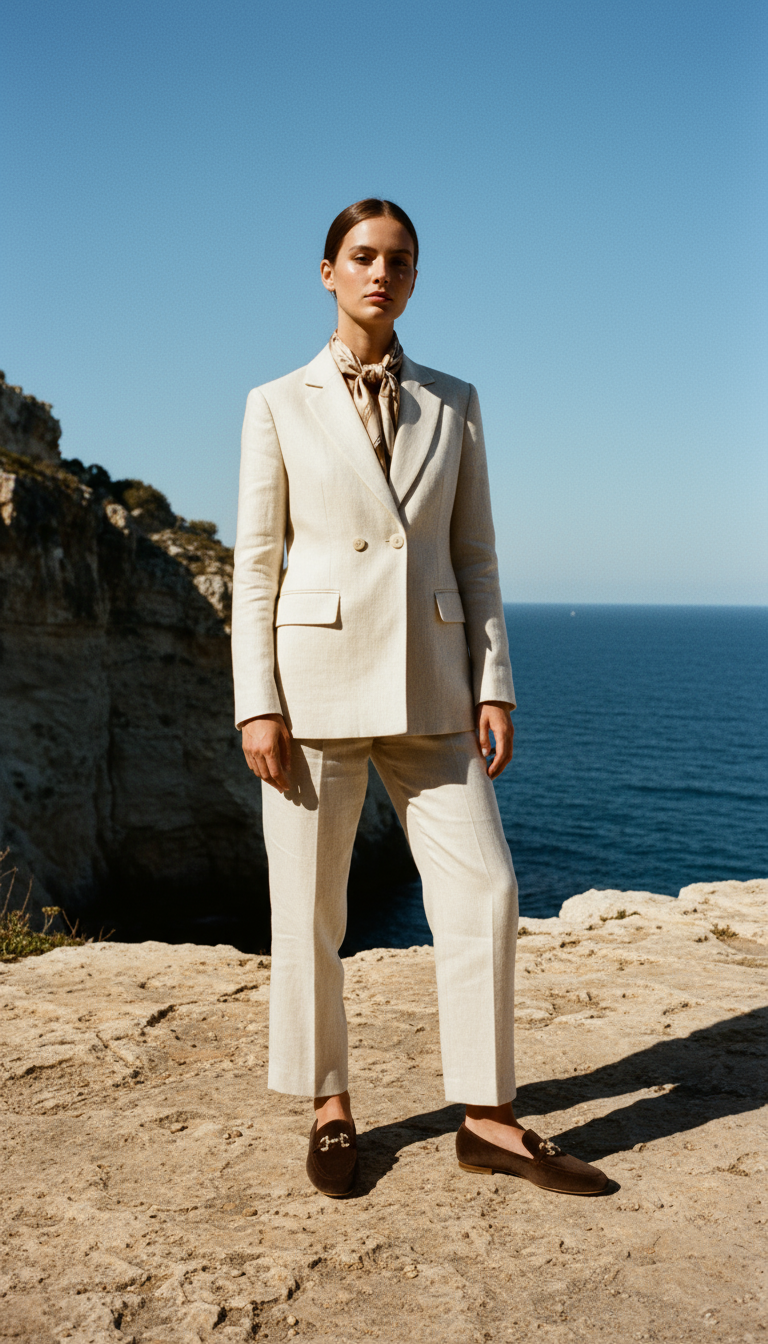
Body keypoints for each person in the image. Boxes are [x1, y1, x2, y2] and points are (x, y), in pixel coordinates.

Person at [232, 199, 607, 1198]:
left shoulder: (456, 399)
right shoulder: (275, 402)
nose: (379, 273)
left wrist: (496, 683)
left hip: (435, 689)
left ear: (413, 277)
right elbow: (258, 568)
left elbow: (473, 553)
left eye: (398, 259)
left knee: (485, 891)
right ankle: (328, 1107)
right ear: (326, 271)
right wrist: (254, 702)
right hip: (312, 695)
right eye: (361, 256)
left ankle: (488, 1116)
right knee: (311, 908)